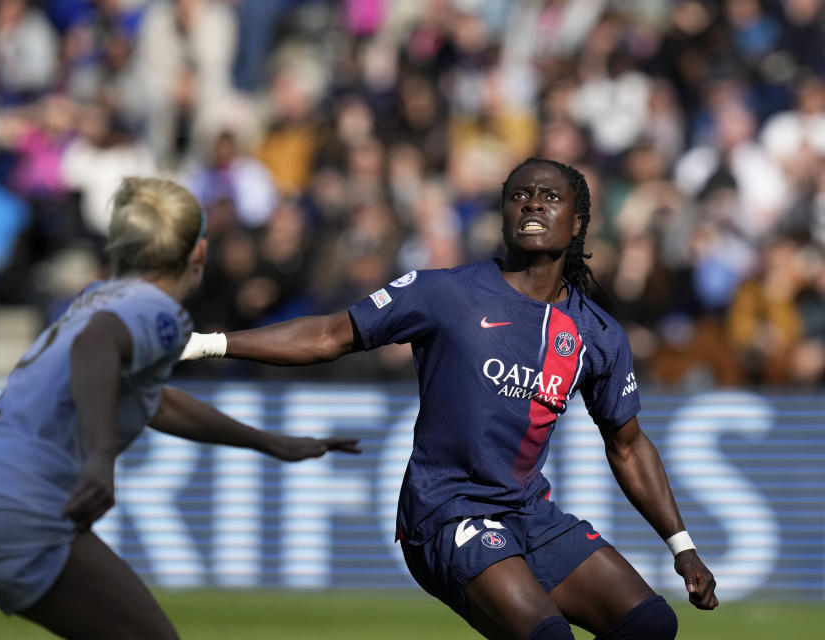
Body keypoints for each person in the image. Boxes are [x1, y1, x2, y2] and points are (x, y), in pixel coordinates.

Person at [180, 158, 718, 640]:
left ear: (577, 224)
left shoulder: (597, 333)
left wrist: (682, 546)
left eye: (550, 196)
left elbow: (627, 445)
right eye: (519, 195)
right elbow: (330, 335)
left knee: (650, 625)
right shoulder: (446, 292)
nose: (532, 203)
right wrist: (209, 343)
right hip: (447, 512)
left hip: (529, 514)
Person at [0, 177, 360, 640]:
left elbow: (153, 400)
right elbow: (97, 346)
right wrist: (102, 457)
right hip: (13, 507)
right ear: (200, 251)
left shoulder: (94, 298)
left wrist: (268, 441)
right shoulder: (157, 309)